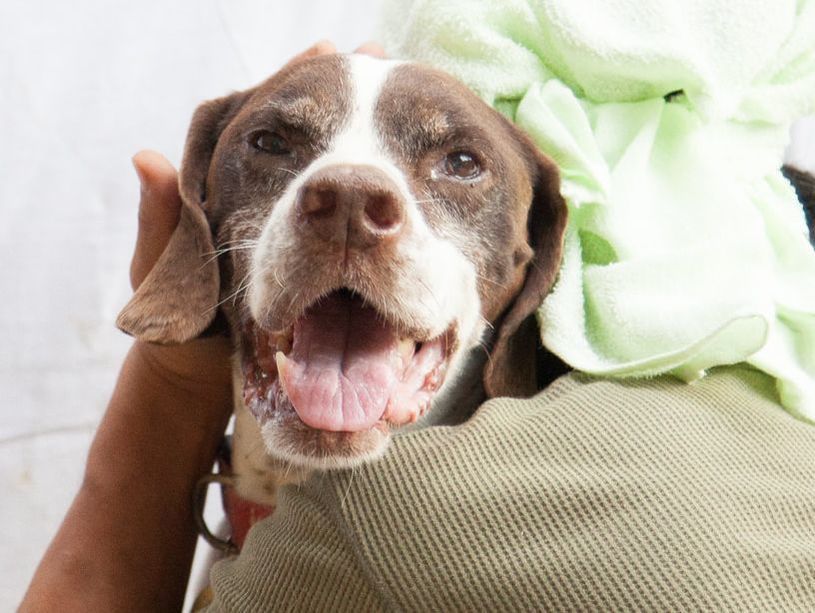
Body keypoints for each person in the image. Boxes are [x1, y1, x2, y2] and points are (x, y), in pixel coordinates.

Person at [22, 42, 815, 612]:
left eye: (459, 163)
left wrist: (169, 373)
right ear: (202, 222)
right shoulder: (754, 393)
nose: (341, 193)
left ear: (532, 260)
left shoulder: (380, 522)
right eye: (274, 146)